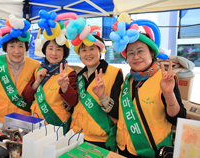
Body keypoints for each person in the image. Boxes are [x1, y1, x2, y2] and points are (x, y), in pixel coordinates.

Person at [109, 14, 186, 157]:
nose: (135, 56)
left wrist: (169, 94)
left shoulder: (166, 79)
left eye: (140, 51)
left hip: (152, 150)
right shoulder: (128, 79)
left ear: (152, 53)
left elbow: (178, 119)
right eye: (130, 53)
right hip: (124, 149)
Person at [66, 18, 123, 151]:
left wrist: (103, 96)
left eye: (92, 49)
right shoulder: (78, 76)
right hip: (76, 136)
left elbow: (118, 112)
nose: (88, 53)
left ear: (100, 51)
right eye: (83, 50)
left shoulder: (115, 74)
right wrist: (64, 89)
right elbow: (72, 107)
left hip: (101, 140)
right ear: (79, 54)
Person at [22, 11, 78, 132]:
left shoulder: (70, 73)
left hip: (56, 125)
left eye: (58, 49)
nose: (54, 53)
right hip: (35, 123)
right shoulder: (39, 69)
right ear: (44, 50)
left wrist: (65, 87)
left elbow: (73, 101)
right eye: (50, 48)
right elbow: (26, 97)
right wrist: (37, 82)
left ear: (64, 52)